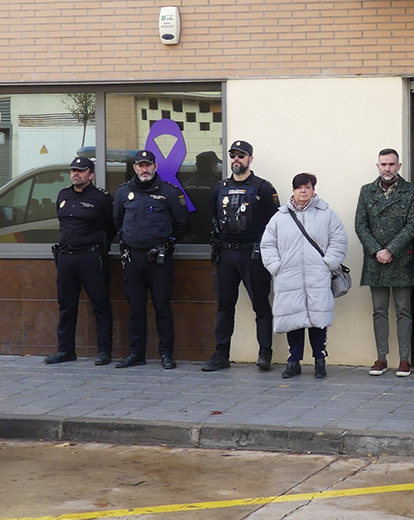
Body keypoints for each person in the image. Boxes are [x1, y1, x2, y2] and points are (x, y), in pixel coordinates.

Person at [202, 140, 280, 372]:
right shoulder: (219, 188)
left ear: (250, 159)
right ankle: (221, 355)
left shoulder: (263, 188)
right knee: (224, 305)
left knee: (261, 305)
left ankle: (265, 353)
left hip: (253, 255)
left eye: (241, 155)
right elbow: (213, 217)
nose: (236, 159)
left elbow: (275, 223)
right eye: (233, 155)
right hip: (225, 254)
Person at [260, 173, 348, 379]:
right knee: (294, 319)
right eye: (299, 187)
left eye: (307, 187)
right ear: (293, 190)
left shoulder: (326, 214)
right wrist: (276, 267)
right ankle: (294, 361)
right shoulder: (280, 217)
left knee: (318, 319)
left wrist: (329, 263)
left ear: (313, 190)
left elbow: (339, 239)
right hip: (288, 277)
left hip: (317, 275)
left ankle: (320, 360)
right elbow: (267, 244)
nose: (303, 191)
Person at [112, 150, 189, 369]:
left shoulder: (170, 193)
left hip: (159, 259)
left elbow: (182, 223)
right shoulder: (123, 193)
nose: (144, 169)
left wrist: (168, 242)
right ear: (134, 168)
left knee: (162, 307)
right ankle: (136, 353)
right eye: (140, 165)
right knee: (135, 308)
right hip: (133, 258)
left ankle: (166, 354)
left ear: (155, 167)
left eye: (148, 165)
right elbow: (117, 221)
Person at [355, 148, 414, 378]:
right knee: (379, 311)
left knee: (404, 311)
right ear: (377, 166)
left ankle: (404, 359)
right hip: (376, 262)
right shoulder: (366, 191)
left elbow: (413, 225)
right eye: (383, 164)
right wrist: (377, 251)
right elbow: (360, 225)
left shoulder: (411, 191)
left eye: (391, 164)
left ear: (399, 166)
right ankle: (381, 358)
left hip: (401, 259)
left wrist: (391, 249)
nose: (387, 169)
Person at [45, 157, 116, 366]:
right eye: (73, 170)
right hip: (66, 257)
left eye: (81, 171)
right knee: (66, 306)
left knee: (100, 305)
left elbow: (112, 226)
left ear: (91, 175)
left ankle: (104, 351)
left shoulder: (101, 198)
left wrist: (101, 248)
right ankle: (65, 350)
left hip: (91, 257)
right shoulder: (63, 195)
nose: (75, 174)